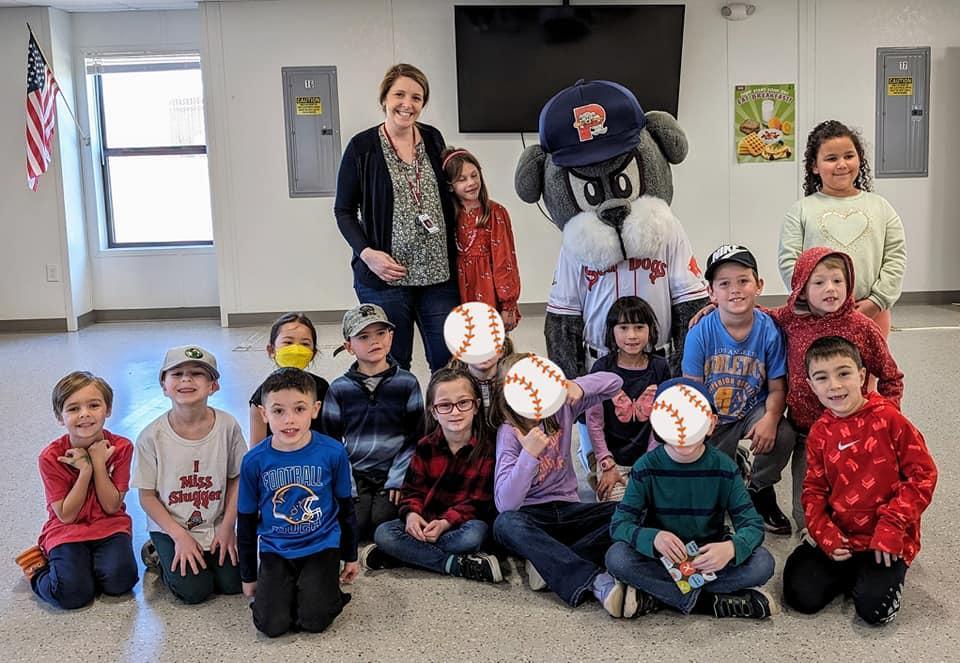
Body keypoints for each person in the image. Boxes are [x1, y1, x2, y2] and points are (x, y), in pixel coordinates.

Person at [782, 337, 936, 625]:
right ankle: (854, 573)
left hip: (885, 536)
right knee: (800, 597)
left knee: (875, 613)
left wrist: (893, 526)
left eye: (844, 373)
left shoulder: (891, 421)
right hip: (840, 536)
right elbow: (813, 489)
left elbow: (923, 476)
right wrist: (822, 531)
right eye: (822, 378)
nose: (835, 386)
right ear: (811, 385)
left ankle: (870, 576)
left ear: (862, 375)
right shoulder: (819, 432)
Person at [605, 378, 778, 620]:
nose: (683, 431)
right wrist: (653, 537)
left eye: (693, 419)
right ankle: (709, 603)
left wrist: (729, 549)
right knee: (617, 557)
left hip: (709, 558)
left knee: (763, 562)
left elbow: (752, 525)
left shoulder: (725, 468)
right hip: (663, 559)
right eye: (674, 419)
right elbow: (620, 524)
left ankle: (656, 596)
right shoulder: (646, 467)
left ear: (711, 424)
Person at [764, 248, 904, 530]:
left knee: (850, 505)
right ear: (801, 289)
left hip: (853, 433)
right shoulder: (792, 318)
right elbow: (759, 313)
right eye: (819, 282)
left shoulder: (862, 327)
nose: (830, 289)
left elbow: (891, 376)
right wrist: (717, 309)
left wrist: (885, 421)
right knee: (806, 518)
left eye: (838, 281)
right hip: (806, 433)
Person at [333, 63, 460, 371]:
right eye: (399, 94)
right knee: (392, 362)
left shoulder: (432, 139)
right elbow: (344, 210)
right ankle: (398, 419)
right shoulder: (362, 147)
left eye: (416, 97)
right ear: (385, 99)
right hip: (386, 278)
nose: (407, 104)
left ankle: (442, 418)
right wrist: (367, 255)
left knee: (447, 361)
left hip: (437, 276)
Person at [491, 353, 624, 612]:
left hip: (569, 510)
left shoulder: (562, 407)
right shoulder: (509, 432)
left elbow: (614, 383)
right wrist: (528, 454)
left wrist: (575, 385)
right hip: (532, 517)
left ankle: (547, 563)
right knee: (505, 524)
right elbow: (506, 504)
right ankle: (593, 580)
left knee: (626, 511)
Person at [682, 245, 795, 535]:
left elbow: (777, 386)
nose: (735, 290)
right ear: (711, 293)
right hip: (713, 415)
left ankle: (759, 487)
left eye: (743, 281)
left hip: (750, 410)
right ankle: (731, 467)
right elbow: (692, 389)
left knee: (783, 433)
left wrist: (770, 419)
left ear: (759, 286)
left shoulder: (769, 330)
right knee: (708, 484)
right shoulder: (700, 333)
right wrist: (702, 426)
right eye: (724, 284)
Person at [238, 368, 358, 637]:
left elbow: (346, 508)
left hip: (322, 545)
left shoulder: (333, 452)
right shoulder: (254, 461)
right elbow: (245, 520)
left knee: (314, 621)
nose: (289, 420)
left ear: (315, 410)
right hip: (276, 548)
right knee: (271, 625)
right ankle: (290, 590)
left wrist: (351, 556)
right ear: (263, 413)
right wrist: (248, 576)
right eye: (278, 411)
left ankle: (326, 593)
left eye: (299, 409)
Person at [361, 367, 501, 583]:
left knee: (474, 536)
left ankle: (403, 554)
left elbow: (479, 503)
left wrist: (446, 522)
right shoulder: (426, 446)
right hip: (427, 520)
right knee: (384, 533)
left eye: (463, 402)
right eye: (445, 405)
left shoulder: (488, 447)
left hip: (463, 525)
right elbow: (412, 490)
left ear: (475, 406)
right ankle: (455, 565)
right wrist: (412, 515)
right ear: (434, 412)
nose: (455, 412)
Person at [132, 345, 246, 604]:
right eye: (177, 373)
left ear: (213, 385)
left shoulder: (227, 426)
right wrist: (179, 535)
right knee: (195, 592)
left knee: (233, 583)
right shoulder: (151, 436)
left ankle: (204, 553)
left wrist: (228, 526)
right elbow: (147, 497)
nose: (186, 379)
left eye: (197, 373)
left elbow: (237, 477)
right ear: (163, 385)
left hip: (215, 522)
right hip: (171, 526)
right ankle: (158, 554)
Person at [16, 372, 138, 609]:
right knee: (71, 595)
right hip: (67, 530)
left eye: (94, 405)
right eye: (73, 409)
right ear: (60, 418)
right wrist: (85, 471)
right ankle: (38, 570)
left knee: (121, 582)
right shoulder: (50, 456)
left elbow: (112, 507)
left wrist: (98, 462)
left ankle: (86, 568)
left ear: (108, 409)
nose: (84, 414)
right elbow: (66, 515)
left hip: (110, 526)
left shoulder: (122, 447)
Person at [779, 119, 906, 338]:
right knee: (823, 371)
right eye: (831, 158)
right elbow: (789, 261)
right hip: (817, 315)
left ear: (859, 159)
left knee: (865, 372)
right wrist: (815, 300)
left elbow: (895, 257)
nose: (842, 164)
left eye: (849, 156)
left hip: (871, 312)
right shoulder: (801, 210)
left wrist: (877, 301)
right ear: (815, 166)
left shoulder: (880, 207)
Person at [322, 304, 423, 541]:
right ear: (349, 346)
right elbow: (331, 442)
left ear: (391, 336)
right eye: (363, 337)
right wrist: (347, 486)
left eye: (381, 333)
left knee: (382, 522)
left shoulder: (407, 383)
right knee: (355, 526)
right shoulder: (339, 389)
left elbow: (416, 436)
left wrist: (398, 477)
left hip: (395, 471)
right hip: (357, 472)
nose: (374, 341)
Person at [585, 297, 672, 502]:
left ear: (649, 330)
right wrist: (606, 463)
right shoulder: (601, 368)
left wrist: (647, 462)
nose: (631, 335)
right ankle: (595, 471)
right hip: (614, 462)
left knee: (660, 509)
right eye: (623, 327)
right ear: (611, 331)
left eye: (639, 327)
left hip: (651, 457)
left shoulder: (660, 367)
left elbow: (660, 422)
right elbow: (594, 422)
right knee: (619, 513)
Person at [441, 146, 522, 332]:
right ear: (450, 186)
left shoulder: (495, 213)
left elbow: (505, 260)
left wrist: (508, 304)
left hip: (488, 291)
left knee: (491, 346)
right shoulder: (448, 215)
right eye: (462, 179)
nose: (471, 183)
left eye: (474, 175)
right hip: (456, 291)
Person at [249, 312, 329, 446]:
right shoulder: (260, 397)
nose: (296, 349)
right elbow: (256, 449)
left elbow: (331, 438)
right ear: (271, 350)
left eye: (305, 344)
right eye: (288, 342)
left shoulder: (322, 388)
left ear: (313, 353)